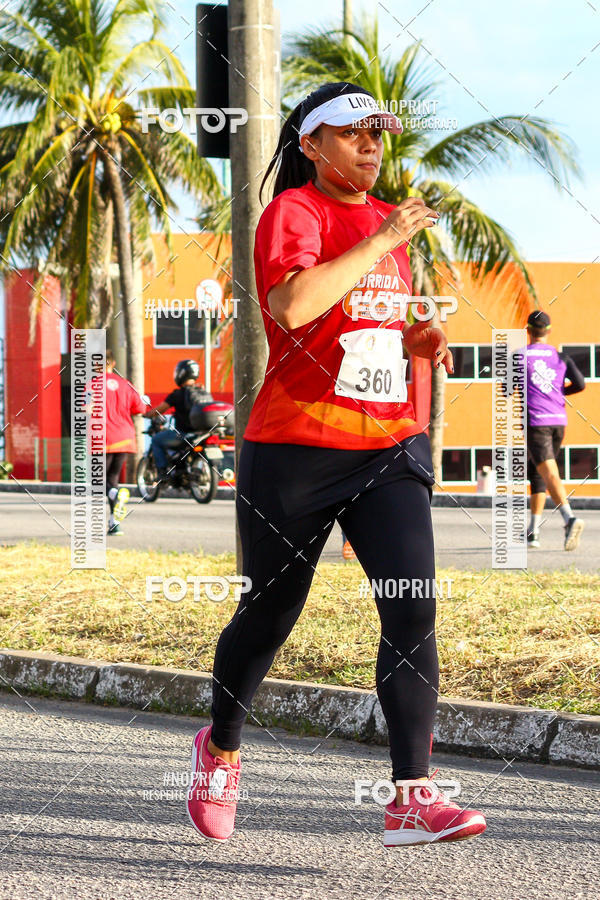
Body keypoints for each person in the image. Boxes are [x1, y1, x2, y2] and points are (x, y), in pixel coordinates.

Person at [186, 82, 487, 848]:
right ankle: (219, 749)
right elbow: (294, 306)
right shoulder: (295, 213)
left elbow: (371, 323)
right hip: (295, 450)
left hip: (386, 446)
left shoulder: (388, 226)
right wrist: (382, 242)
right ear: (312, 145)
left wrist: (416, 340)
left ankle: (412, 797)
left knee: (412, 606)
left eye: (378, 135)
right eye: (352, 134)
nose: (371, 146)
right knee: (271, 614)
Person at [525, 310, 585, 550]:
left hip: (536, 422)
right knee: (538, 471)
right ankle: (534, 530)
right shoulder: (562, 358)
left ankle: (569, 519)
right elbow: (580, 384)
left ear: (528, 331)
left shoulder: (520, 357)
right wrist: (559, 393)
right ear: (548, 331)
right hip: (559, 421)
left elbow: (507, 388)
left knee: (548, 472)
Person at [91, 349, 147, 536]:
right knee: (112, 478)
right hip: (124, 436)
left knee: (99, 480)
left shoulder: (92, 385)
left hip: (103, 437)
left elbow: (86, 408)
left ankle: (115, 495)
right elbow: (140, 408)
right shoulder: (126, 385)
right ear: (113, 364)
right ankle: (114, 524)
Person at [143, 360, 213, 480]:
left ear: (181, 373)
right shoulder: (203, 391)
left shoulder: (178, 394)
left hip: (183, 434)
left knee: (156, 440)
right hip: (202, 434)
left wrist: (148, 414)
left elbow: (160, 409)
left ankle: (163, 472)